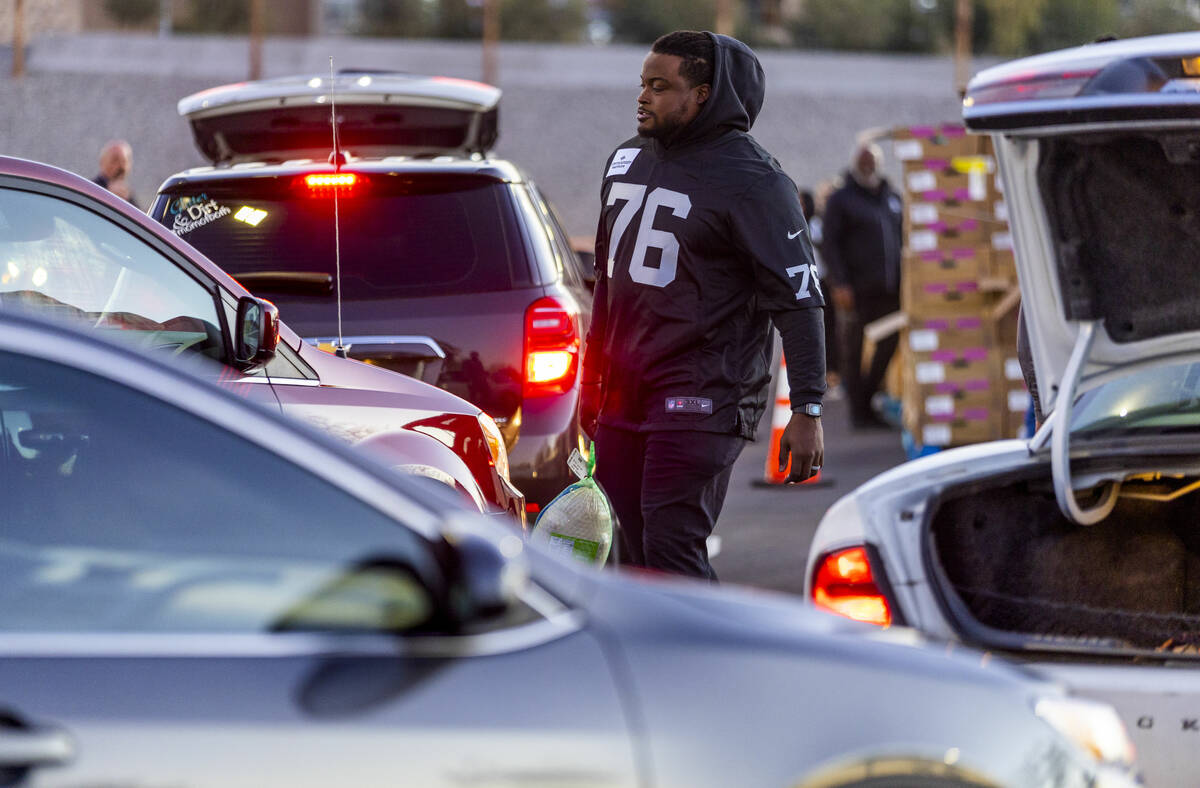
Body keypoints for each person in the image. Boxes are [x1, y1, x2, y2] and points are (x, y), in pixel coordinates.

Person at [579, 30, 826, 581]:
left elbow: (800, 298)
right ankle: (649, 661)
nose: (643, 97)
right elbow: (608, 283)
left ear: (704, 94)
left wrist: (808, 407)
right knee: (628, 548)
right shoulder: (625, 159)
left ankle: (704, 662)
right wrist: (590, 382)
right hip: (625, 392)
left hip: (703, 392)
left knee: (671, 542)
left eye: (660, 87)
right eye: (642, 84)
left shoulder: (756, 180)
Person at [820, 142, 903, 429]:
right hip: (856, 289)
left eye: (872, 161)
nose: (868, 166)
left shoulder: (890, 197)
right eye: (863, 161)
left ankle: (868, 398)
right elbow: (830, 244)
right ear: (856, 164)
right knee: (853, 349)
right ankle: (859, 412)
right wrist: (840, 283)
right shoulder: (842, 199)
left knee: (889, 341)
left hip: (889, 288)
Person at [93, 139, 138, 206]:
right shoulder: (92, 190)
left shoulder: (128, 196)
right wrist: (108, 197)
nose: (120, 166)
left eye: (124, 161)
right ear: (102, 162)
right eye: (115, 160)